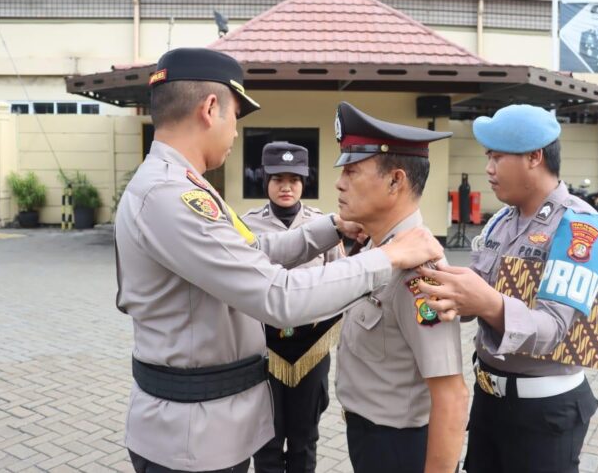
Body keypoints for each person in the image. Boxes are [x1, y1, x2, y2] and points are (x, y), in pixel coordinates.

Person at [114, 48, 444, 473]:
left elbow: (250, 253)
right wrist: (387, 257)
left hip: (204, 427)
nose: (236, 132)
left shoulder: (182, 185)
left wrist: (333, 228)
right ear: (210, 109)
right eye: (236, 117)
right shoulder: (171, 196)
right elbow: (278, 296)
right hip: (190, 439)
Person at [416, 104, 598, 473]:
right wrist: (437, 283)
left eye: (497, 157)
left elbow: (553, 329)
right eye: (488, 157)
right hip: (489, 402)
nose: (489, 169)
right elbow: (475, 288)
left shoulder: (579, 229)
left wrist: (487, 303)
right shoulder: (502, 221)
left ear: (534, 157)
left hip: (543, 415)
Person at [332, 102, 469, 473]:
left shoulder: (420, 274)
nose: (340, 183)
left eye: (352, 171)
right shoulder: (378, 250)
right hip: (369, 437)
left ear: (395, 181)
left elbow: (452, 396)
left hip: (397, 448)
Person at [243, 141, 343, 473]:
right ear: (265, 180)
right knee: (266, 439)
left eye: (294, 179)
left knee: (304, 437)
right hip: (262, 348)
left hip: (311, 348)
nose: (286, 187)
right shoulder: (246, 227)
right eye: (278, 179)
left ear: (304, 182)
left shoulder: (324, 226)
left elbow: (338, 278)